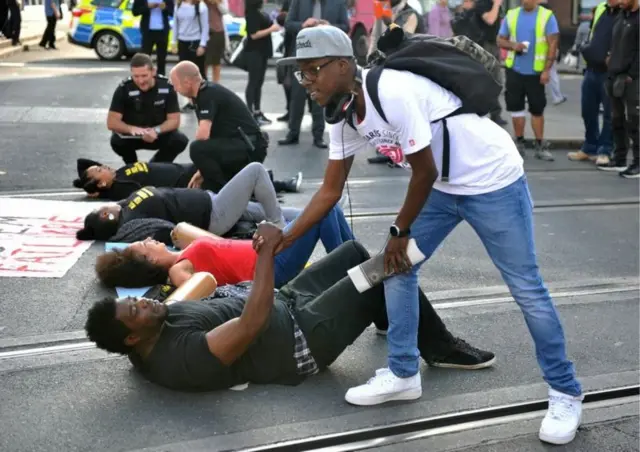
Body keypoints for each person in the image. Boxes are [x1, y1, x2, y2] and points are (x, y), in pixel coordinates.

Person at [269, 25, 583, 444]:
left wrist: (401, 231)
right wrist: (283, 239)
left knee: (526, 288)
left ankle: (565, 392)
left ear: (343, 65)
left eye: (312, 71)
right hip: (442, 188)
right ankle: (402, 372)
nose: (306, 82)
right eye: (301, 74)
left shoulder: (391, 90)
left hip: (492, 180)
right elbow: (328, 192)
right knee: (394, 268)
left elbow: (424, 170)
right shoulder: (342, 120)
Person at [85, 237, 495, 394]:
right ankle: (439, 347)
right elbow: (252, 322)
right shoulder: (179, 357)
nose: (145, 303)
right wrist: (264, 254)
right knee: (382, 269)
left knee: (353, 252)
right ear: (132, 339)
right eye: (136, 310)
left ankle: (386, 314)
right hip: (303, 338)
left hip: (288, 302)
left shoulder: (144, 340)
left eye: (136, 300)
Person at [94, 201, 353, 289]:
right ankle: (350, 273)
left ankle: (356, 266)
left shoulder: (181, 253)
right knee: (324, 208)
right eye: (145, 244)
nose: (149, 239)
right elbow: (199, 295)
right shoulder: (177, 270)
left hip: (271, 251)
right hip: (273, 266)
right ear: (149, 261)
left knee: (330, 207)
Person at [76, 163, 300, 244]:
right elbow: (166, 233)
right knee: (255, 171)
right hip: (214, 215)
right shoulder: (132, 222)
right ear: (106, 215)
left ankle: (328, 212)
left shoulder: (126, 205)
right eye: (101, 209)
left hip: (211, 201)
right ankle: (278, 228)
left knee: (278, 210)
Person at [169, 61, 269, 193]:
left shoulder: (207, 95)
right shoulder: (203, 93)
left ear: (187, 82)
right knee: (203, 170)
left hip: (250, 147)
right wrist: (202, 170)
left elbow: (202, 137)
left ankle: (225, 193)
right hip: (241, 145)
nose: (175, 90)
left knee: (197, 148)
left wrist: (202, 169)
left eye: (175, 85)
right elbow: (211, 137)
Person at [278, 0, 350, 149]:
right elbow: (289, 24)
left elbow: (345, 26)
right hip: (302, 58)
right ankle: (293, 133)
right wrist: (303, 25)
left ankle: (318, 136)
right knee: (297, 96)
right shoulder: (298, 2)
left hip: (325, 60)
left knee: (320, 96)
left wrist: (329, 27)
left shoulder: (337, 3)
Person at [497, 0, 559, 161]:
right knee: (515, 108)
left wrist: (546, 70)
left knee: (537, 109)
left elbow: (553, 44)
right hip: (515, 70)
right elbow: (500, 40)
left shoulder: (547, 16)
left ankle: (540, 145)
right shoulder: (512, 15)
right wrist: (514, 45)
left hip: (536, 72)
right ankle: (519, 143)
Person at [72, 158, 303, 201]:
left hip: (185, 168)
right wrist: (94, 189)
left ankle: (273, 185)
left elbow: (83, 162)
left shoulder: (118, 173)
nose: (104, 166)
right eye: (99, 170)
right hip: (186, 180)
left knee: (235, 171)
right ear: (101, 184)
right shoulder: (120, 188)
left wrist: (86, 181)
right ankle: (282, 185)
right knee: (233, 181)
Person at [107, 53, 189, 165]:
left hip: (157, 133)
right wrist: (131, 129)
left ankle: (155, 167)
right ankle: (132, 166)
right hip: (133, 135)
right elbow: (112, 122)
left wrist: (155, 131)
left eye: (144, 76)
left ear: (153, 72)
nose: (140, 81)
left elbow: (174, 120)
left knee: (180, 140)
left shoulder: (167, 87)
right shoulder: (124, 89)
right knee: (116, 141)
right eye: (136, 76)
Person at [567, 0, 618, 167]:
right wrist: (586, 48)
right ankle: (589, 147)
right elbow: (593, 34)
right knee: (588, 111)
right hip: (591, 69)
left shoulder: (629, 14)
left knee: (610, 115)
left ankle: (605, 150)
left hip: (610, 73)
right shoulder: (601, 9)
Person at [601, 0, 638, 178]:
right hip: (614, 75)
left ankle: (638, 162)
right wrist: (610, 56)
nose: (619, 1)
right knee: (617, 119)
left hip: (632, 79)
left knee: (635, 121)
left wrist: (632, 73)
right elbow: (615, 43)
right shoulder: (621, 16)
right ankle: (620, 157)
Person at [245, 0, 280, 126]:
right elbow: (253, 35)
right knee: (253, 82)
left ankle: (257, 111)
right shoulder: (252, 13)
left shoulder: (261, 11)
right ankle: (250, 112)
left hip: (262, 52)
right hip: (255, 52)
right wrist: (271, 29)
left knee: (259, 83)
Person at [170, 0, 209, 82]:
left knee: (198, 71)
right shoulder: (178, 5)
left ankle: (201, 92)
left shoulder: (200, 6)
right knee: (184, 72)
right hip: (182, 41)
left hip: (195, 41)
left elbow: (205, 26)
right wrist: (173, 42)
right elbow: (176, 24)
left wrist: (202, 45)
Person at [132, 0, 173, 76]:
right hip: (148, 32)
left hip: (162, 31)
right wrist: (147, 7)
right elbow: (135, 12)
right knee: (145, 57)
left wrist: (165, 8)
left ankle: (161, 78)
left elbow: (173, 11)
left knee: (162, 58)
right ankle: (145, 76)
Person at [203, 0, 228, 83]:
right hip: (203, 32)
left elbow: (225, 11)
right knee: (204, 62)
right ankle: (203, 84)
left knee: (216, 62)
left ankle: (216, 85)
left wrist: (217, 2)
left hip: (217, 32)